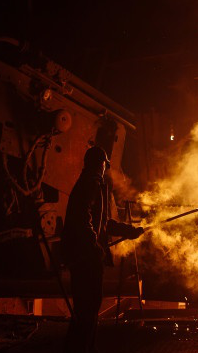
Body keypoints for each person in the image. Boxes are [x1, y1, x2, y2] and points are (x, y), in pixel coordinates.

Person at [61, 146, 143, 353]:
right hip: (85, 258)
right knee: (88, 308)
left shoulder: (92, 184)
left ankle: (81, 348)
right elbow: (82, 218)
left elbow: (104, 222)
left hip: (85, 255)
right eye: (105, 165)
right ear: (101, 164)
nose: (106, 169)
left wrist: (129, 231)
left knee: (85, 310)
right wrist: (93, 245)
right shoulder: (91, 184)